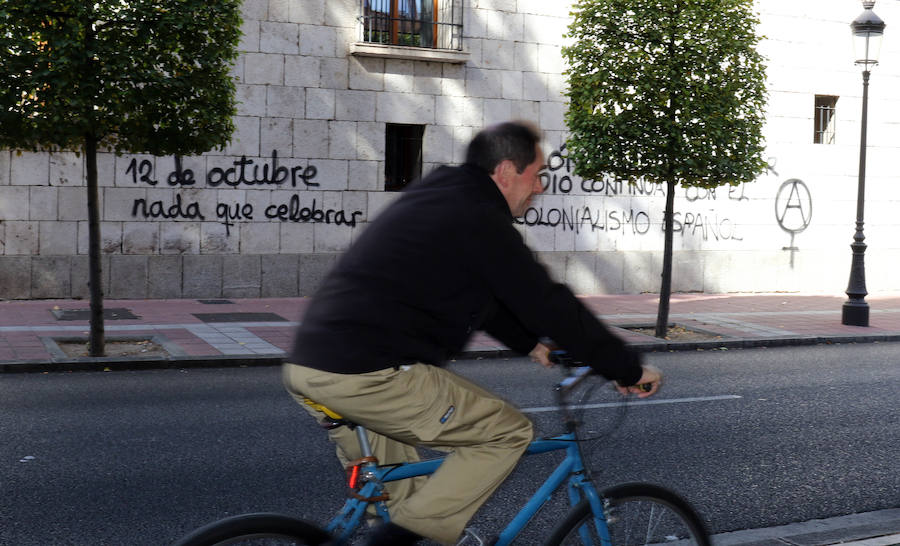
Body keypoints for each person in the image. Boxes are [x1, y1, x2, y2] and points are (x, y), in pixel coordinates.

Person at [283, 121, 661, 546]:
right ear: (505, 171)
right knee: (506, 433)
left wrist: (530, 343)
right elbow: (547, 301)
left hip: (313, 366)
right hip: (369, 373)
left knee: (406, 502)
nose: (539, 188)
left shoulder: (441, 195)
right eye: (537, 175)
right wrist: (626, 368)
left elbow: (481, 298)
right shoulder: (479, 217)